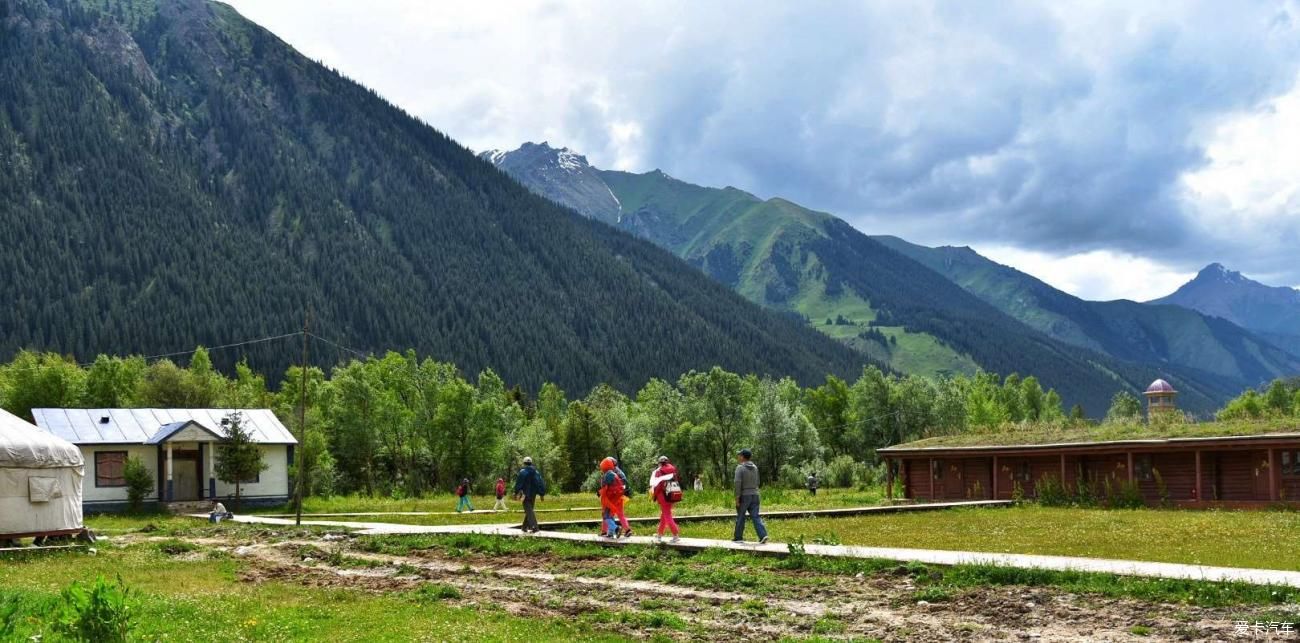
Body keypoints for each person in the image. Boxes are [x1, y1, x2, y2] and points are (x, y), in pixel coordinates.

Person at [733, 449, 768, 544]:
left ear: (742, 457)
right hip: (755, 495)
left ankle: (738, 537)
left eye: (739, 455)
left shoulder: (740, 468)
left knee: (741, 516)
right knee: (755, 516)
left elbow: (737, 483)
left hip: (744, 496)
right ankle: (763, 535)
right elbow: (758, 482)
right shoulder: (755, 467)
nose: (738, 457)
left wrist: (737, 498)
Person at [649, 456, 681, 543]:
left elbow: (658, 485)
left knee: (667, 515)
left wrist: (654, 495)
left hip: (663, 496)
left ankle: (675, 535)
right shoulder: (673, 469)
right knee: (664, 514)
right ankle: (659, 534)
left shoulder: (659, 471)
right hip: (672, 494)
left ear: (660, 463)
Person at [599, 457, 631, 538]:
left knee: (607, 514)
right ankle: (626, 530)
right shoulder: (620, 472)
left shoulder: (608, 474)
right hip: (621, 495)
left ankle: (608, 531)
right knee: (620, 514)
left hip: (612, 497)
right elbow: (625, 484)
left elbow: (604, 487)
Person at [514, 457, 547, 533]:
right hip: (533, 495)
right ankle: (524, 527)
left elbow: (519, 483)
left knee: (529, 511)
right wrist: (542, 494)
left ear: (524, 463)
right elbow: (540, 483)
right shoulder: (536, 472)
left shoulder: (523, 472)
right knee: (529, 510)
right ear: (531, 463)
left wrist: (516, 492)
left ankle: (534, 527)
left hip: (525, 495)